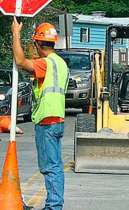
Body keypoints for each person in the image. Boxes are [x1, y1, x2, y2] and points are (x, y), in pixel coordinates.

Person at [12, 17, 69, 210]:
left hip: (47, 120)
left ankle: (54, 206)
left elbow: (20, 61)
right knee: (54, 166)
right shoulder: (60, 63)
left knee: (50, 167)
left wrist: (16, 33)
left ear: (38, 43)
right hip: (57, 119)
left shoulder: (46, 64)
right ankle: (54, 205)